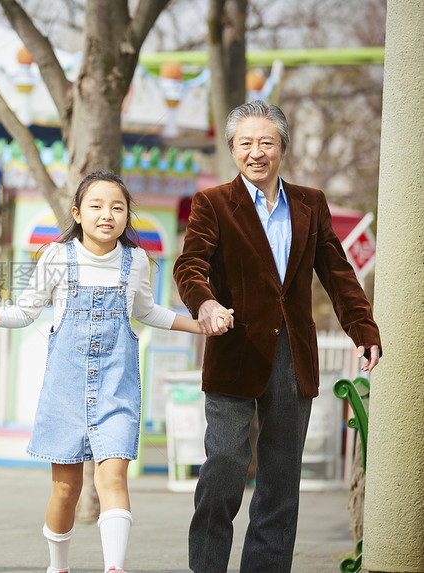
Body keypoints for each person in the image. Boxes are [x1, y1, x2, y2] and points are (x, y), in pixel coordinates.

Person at [0, 170, 233, 573]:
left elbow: (147, 310)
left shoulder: (136, 260)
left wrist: (200, 323)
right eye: (97, 206)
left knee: (114, 479)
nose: (108, 215)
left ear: (126, 216)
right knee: (66, 490)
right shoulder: (55, 257)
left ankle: (114, 568)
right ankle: (58, 566)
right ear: (77, 214)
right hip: (64, 392)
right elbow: (25, 311)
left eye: (117, 207)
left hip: (116, 391)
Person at [172, 100, 382, 573]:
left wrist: (362, 327)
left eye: (266, 142)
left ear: (283, 147)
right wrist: (204, 303)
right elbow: (190, 266)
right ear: (232, 149)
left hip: (293, 354)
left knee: (280, 482)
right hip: (234, 348)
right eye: (245, 143)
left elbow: (337, 271)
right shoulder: (213, 203)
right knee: (224, 465)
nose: (256, 152)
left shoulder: (311, 203)